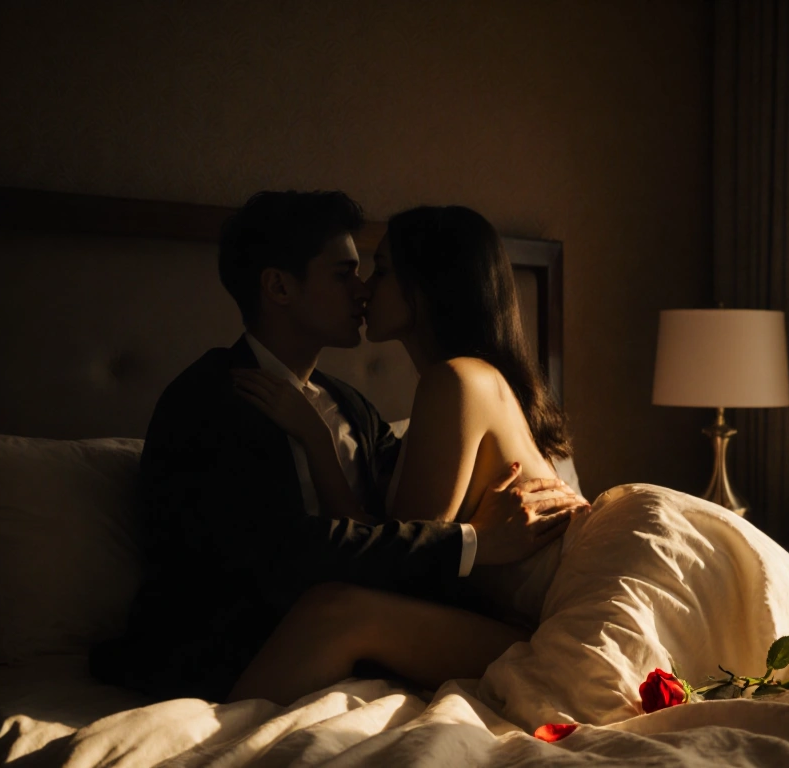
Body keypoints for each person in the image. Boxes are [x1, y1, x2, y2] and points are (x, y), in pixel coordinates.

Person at [89, 191, 587, 705]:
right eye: (343, 274)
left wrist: (322, 445)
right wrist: (472, 542)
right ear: (279, 286)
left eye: (372, 271)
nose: (362, 291)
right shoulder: (211, 399)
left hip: (412, 624)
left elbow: (396, 534)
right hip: (238, 642)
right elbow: (277, 551)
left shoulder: (353, 407)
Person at [228, 204, 575, 703]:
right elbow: (396, 544)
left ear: (429, 284)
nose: (366, 288)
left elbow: (404, 565)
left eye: (382, 270)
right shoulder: (461, 384)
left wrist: (318, 441)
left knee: (338, 610)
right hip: (502, 623)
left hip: (539, 634)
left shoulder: (454, 379)